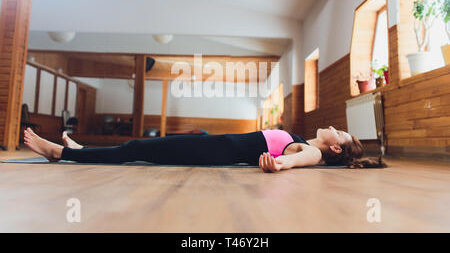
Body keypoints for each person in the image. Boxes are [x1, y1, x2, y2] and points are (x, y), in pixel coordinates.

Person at [23, 126, 387, 173]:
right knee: (137, 148)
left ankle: (61, 153)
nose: (333, 126)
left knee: (137, 149)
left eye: (340, 130)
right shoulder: (310, 142)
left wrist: (279, 165)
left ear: (336, 148)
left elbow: (297, 160)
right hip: (216, 146)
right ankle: (80, 148)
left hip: (217, 152)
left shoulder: (314, 151)